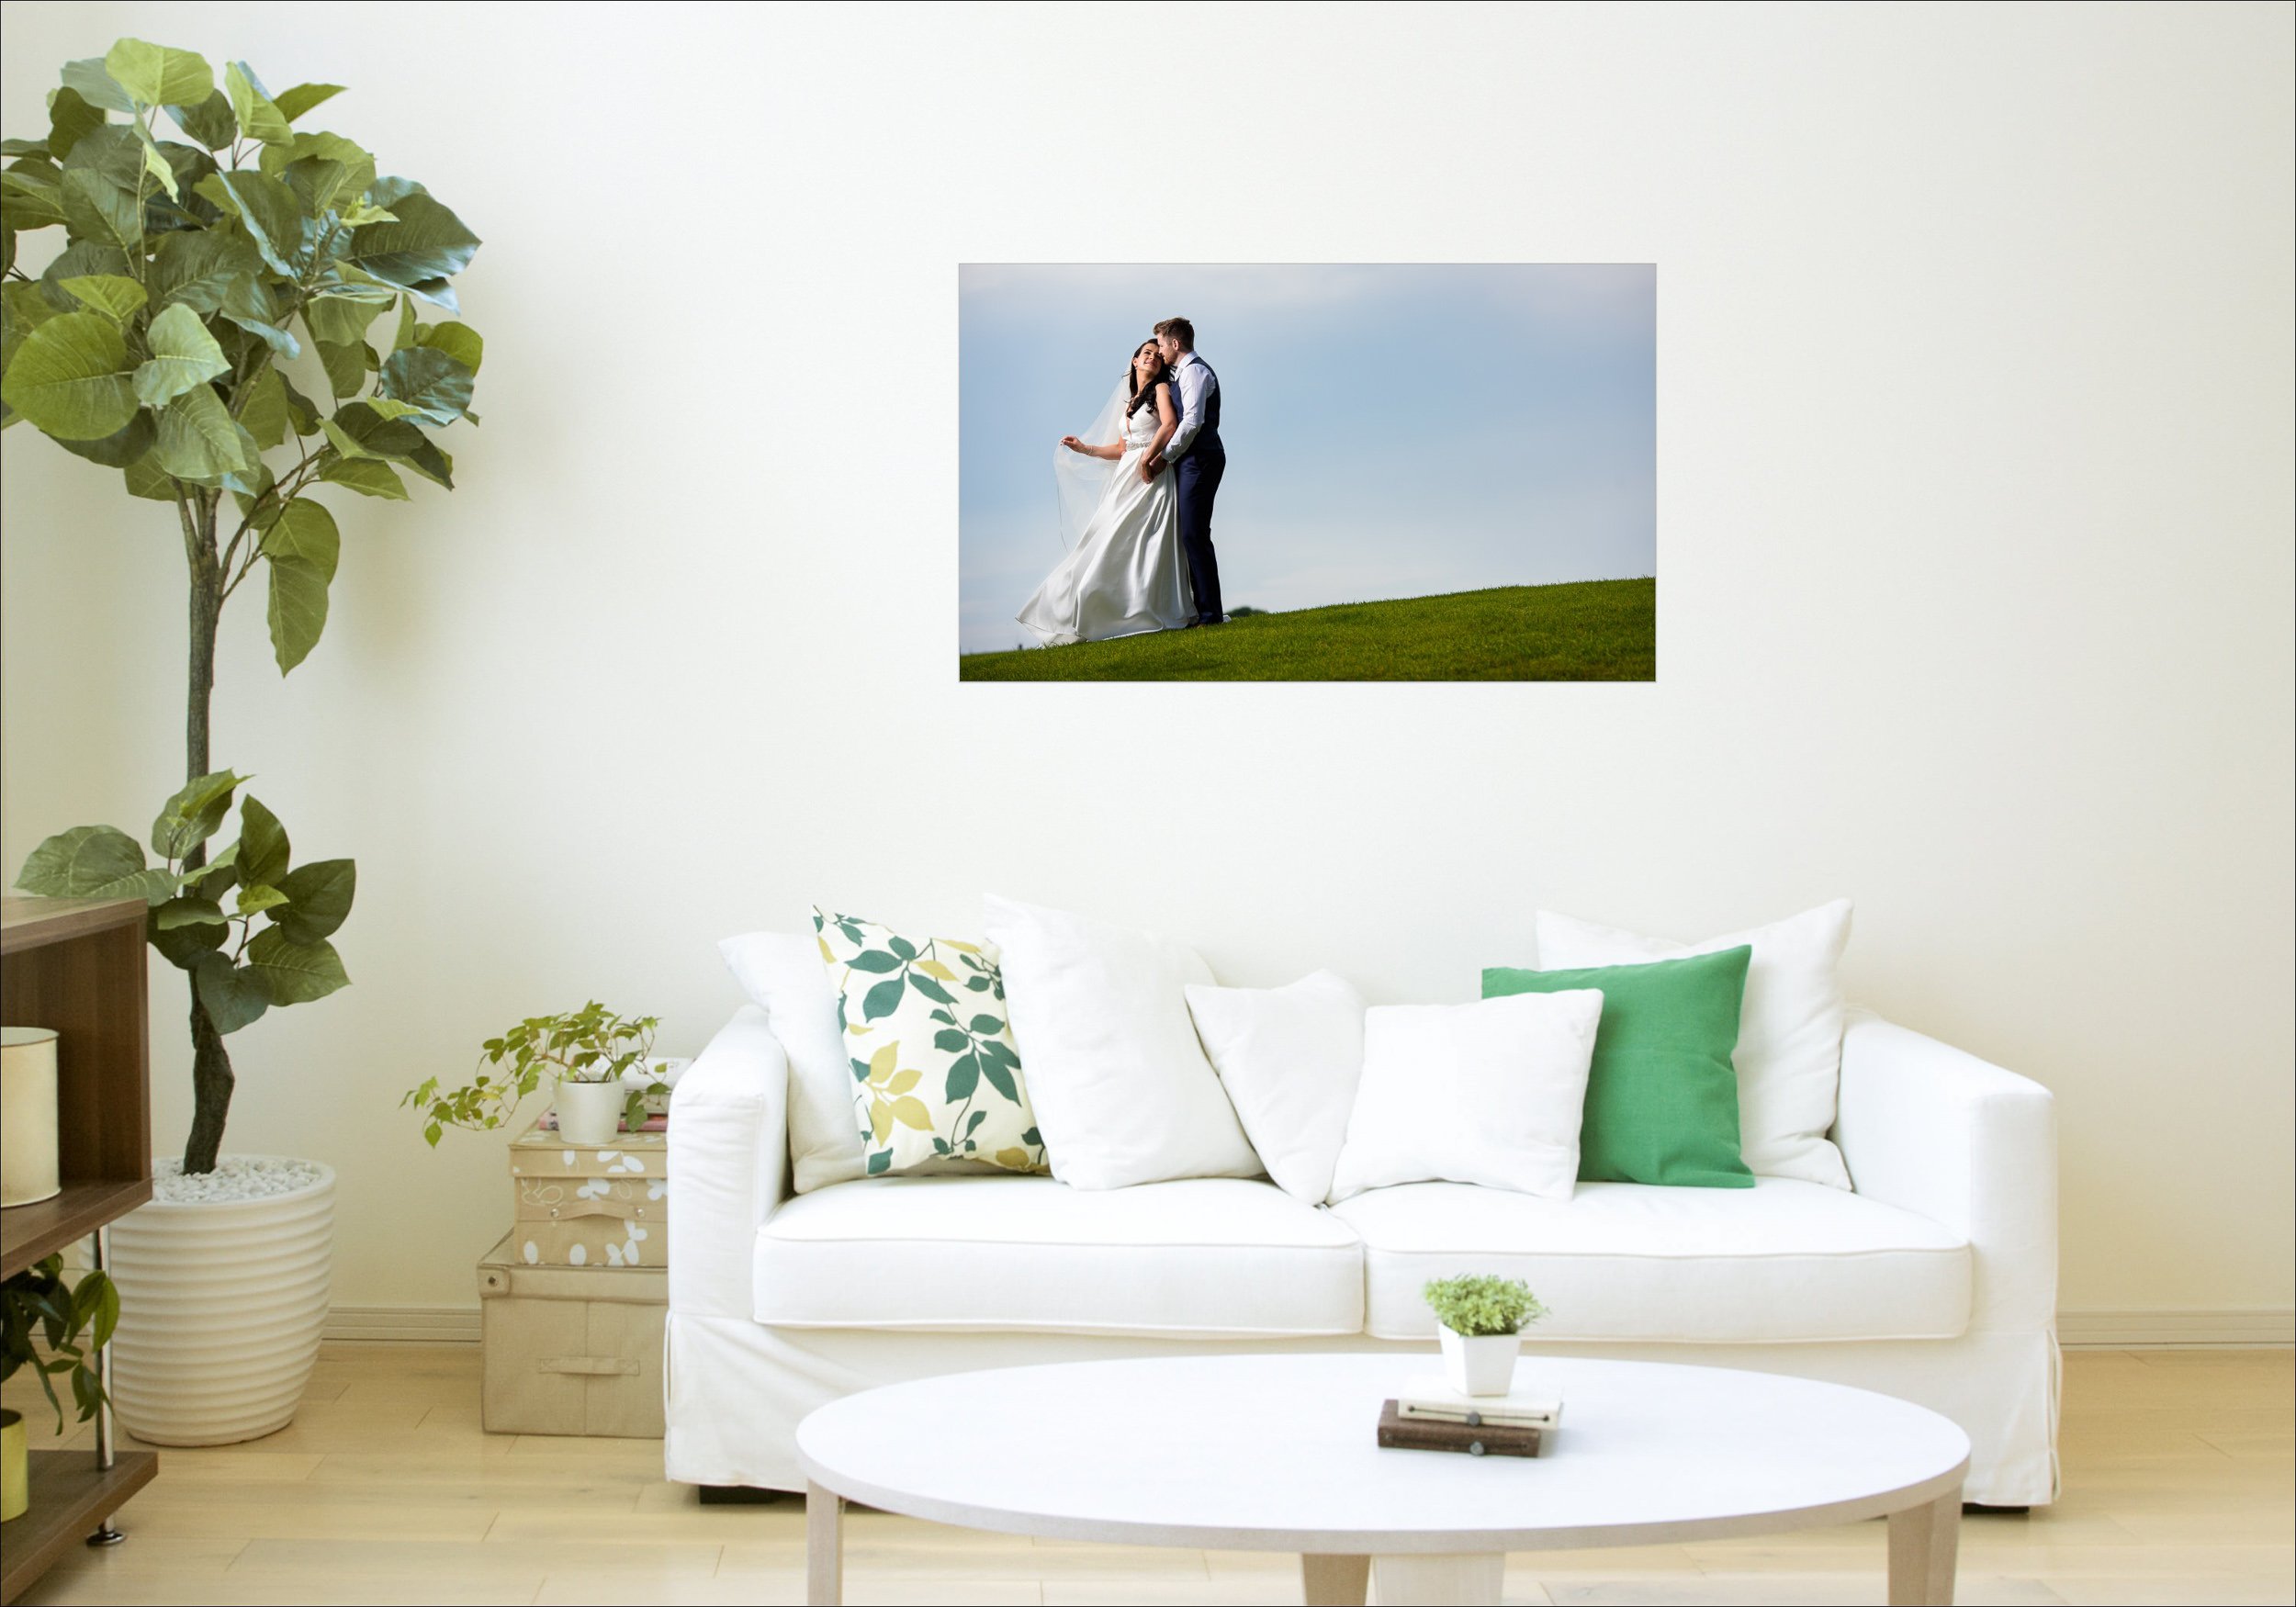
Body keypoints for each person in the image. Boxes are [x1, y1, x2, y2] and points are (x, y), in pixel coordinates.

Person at [1017, 339, 1196, 646]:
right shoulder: (1131, 402)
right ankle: (1099, 608)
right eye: (1146, 353)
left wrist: (1148, 458)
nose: (1152, 357)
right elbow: (1121, 448)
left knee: (1144, 543)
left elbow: (1169, 425)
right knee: (1106, 540)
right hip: (1126, 477)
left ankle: (1147, 610)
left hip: (1150, 475)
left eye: (1157, 355)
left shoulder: (1161, 390)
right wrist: (1085, 449)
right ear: (1135, 361)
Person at [1146, 317, 1224, 627]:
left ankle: (1210, 613)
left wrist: (1164, 457)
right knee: (1189, 534)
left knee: (1194, 533)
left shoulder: (1194, 372)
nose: (1160, 351)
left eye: (1161, 345)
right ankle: (1198, 609)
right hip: (1192, 459)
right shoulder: (1183, 373)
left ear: (1175, 344)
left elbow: (1192, 422)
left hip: (1200, 459)